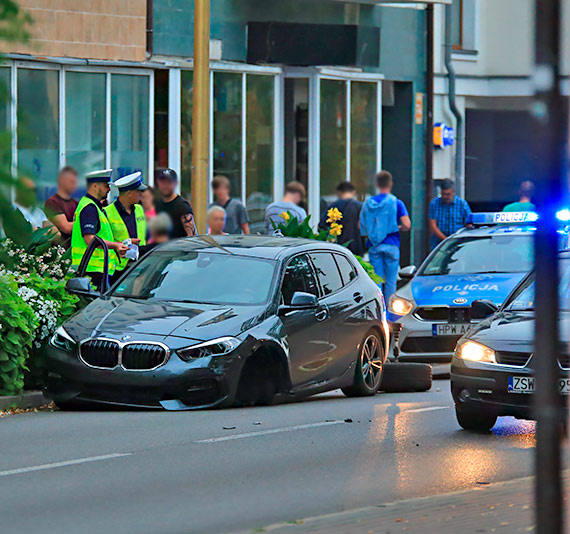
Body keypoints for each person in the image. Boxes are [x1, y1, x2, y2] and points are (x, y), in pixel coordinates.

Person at [71, 169, 128, 291]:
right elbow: (90, 239)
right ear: (95, 186)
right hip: (93, 271)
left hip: (95, 270)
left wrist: (118, 244)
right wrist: (115, 246)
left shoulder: (93, 206)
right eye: (106, 186)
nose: (109, 189)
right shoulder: (89, 208)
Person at [360, 171, 411, 300]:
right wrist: (397, 228)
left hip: (374, 245)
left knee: (376, 280)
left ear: (377, 184)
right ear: (391, 184)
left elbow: (360, 225)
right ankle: (389, 312)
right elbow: (407, 224)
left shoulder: (368, 203)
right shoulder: (396, 202)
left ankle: (378, 309)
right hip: (392, 244)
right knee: (391, 281)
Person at [105, 171, 148, 284]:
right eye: (138, 192)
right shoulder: (107, 212)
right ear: (129, 193)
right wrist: (126, 243)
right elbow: (104, 240)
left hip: (140, 264)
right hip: (118, 269)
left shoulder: (139, 209)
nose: (140, 194)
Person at [319, 181, 364, 256]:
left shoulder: (333, 207)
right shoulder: (360, 207)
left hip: (338, 248)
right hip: (357, 247)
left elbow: (322, 226)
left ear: (339, 192)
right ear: (353, 192)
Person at [429, 179, 472, 250]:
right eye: (443, 194)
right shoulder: (434, 204)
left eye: (448, 194)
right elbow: (433, 225)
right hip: (439, 242)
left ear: (453, 192)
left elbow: (469, 224)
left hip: (458, 242)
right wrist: (446, 240)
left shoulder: (462, 204)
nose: (445, 197)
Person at [154, 168, 197, 238]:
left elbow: (192, 237)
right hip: (161, 247)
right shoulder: (157, 204)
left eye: (168, 182)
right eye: (162, 182)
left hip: (179, 247)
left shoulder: (182, 206)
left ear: (175, 183)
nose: (165, 185)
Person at [44, 166, 79, 248]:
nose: (74, 185)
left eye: (75, 182)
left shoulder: (76, 203)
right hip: (62, 251)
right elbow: (66, 227)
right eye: (71, 182)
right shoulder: (52, 203)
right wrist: (87, 224)